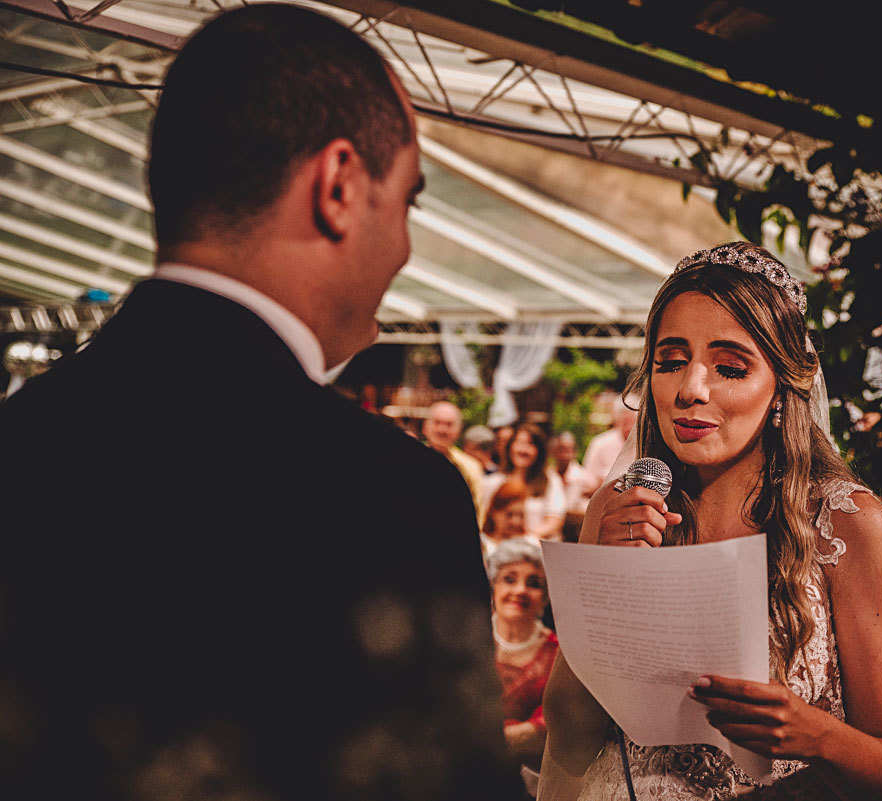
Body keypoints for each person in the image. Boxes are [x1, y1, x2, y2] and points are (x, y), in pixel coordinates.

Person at [0, 6, 523, 800]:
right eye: (409, 200)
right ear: (339, 186)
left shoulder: (21, 438)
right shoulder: (390, 497)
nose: (408, 247)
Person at [538, 242, 882, 800]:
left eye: (730, 367)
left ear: (782, 386)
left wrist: (817, 736)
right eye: (670, 362)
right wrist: (605, 580)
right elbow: (571, 730)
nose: (691, 389)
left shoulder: (845, 525)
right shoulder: (622, 508)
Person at [489, 538, 560, 776]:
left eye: (533, 583)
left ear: (545, 597)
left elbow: (553, 720)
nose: (520, 590)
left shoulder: (556, 652)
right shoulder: (469, 642)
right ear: (493, 587)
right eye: (509, 579)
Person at [482, 424, 568, 541]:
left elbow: (555, 519)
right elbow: (486, 520)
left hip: (538, 545)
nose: (523, 450)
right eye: (519, 443)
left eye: (530, 444)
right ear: (510, 447)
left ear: (539, 451)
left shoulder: (551, 480)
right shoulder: (493, 482)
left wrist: (529, 538)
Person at [424, 399, 486, 513]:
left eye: (449, 424)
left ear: (459, 430)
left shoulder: (471, 467)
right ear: (425, 427)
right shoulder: (411, 459)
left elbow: (478, 509)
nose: (442, 429)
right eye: (437, 422)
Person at [580, 397, 638, 494]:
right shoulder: (600, 443)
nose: (629, 428)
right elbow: (587, 485)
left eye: (632, 422)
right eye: (625, 422)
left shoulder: (644, 444)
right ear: (617, 421)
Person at [482, 478, 533, 558]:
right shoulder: (482, 544)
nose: (516, 521)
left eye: (521, 515)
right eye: (509, 515)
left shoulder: (531, 545)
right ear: (494, 512)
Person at [550, 431, 591, 517]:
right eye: (561, 450)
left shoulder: (582, 476)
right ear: (553, 451)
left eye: (569, 450)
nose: (565, 455)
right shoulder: (549, 474)